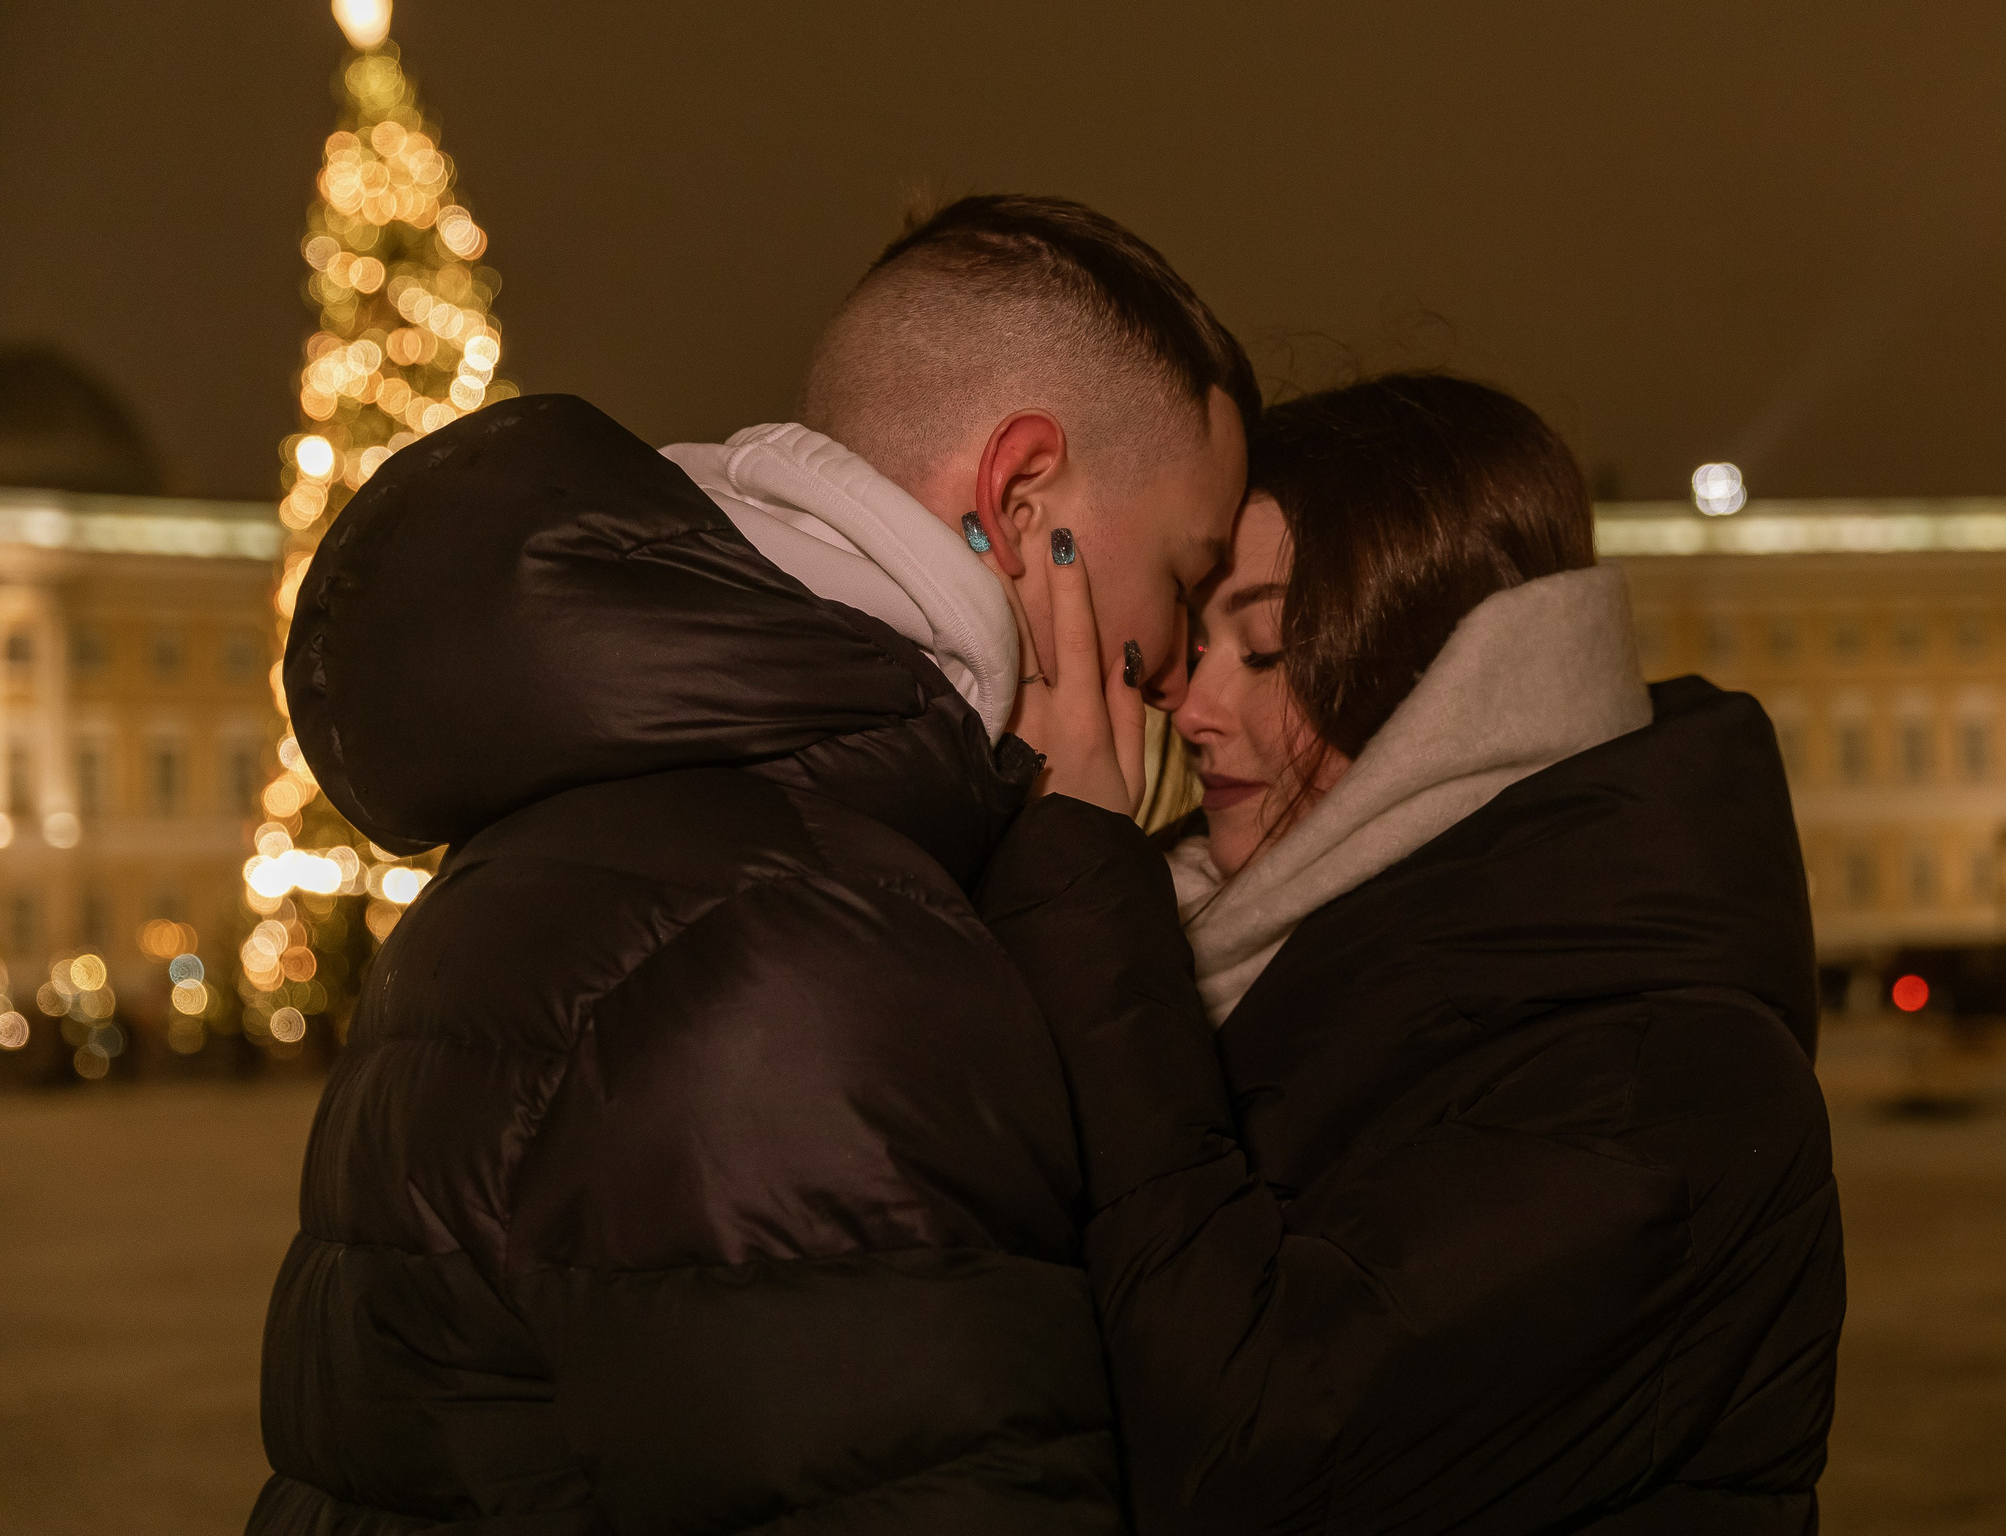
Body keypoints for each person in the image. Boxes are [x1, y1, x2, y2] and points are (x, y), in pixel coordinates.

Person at [249, 196, 1252, 1533]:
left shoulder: (621, 817)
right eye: (1186, 576)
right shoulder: (809, 941)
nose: (1182, 662)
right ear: (1022, 503)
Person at [987, 374, 1844, 1534]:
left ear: (1459, 690)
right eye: (1197, 643)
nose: (1192, 707)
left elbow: (1248, 1447)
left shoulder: (1662, 1078)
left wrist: (1089, 907)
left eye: (1272, 647)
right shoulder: (1238, 950)